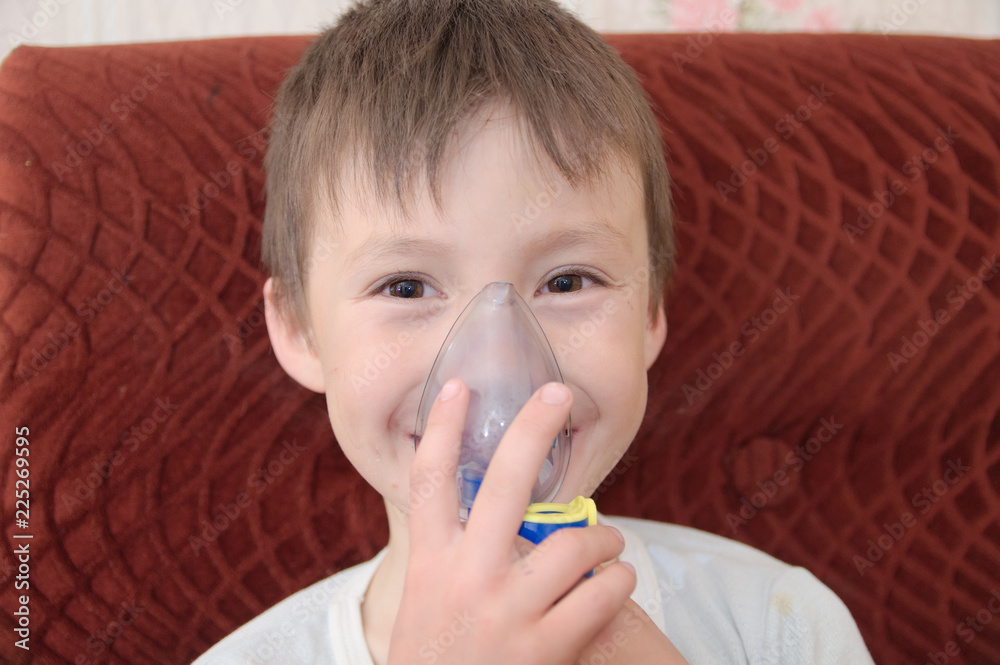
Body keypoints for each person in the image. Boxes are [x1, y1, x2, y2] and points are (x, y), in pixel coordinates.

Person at [194, 0, 875, 663]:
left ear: (649, 314)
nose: (497, 368)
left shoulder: (779, 627)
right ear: (301, 330)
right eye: (405, 287)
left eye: (569, 281)